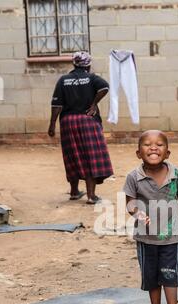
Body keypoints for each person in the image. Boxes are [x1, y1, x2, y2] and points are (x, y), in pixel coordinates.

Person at [123, 130, 178, 304]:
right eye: (147, 144)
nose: (153, 147)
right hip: (146, 238)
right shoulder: (134, 177)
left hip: (171, 236)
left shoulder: (175, 174)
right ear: (138, 153)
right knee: (151, 275)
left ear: (167, 153)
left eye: (159, 144)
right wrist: (137, 214)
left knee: (170, 273)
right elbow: (130, 202)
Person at [48, 51, 114, 204]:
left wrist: (52, 125)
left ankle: (74, 192)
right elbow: (105, 87)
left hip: (68, 122)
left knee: (72, 156)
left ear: (73, 64)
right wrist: (93, 104)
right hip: (87, 121)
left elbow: (56, 104)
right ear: (88, 65)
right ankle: (91, 196)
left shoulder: (63, 80)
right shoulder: (92, 78)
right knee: (90, 156)